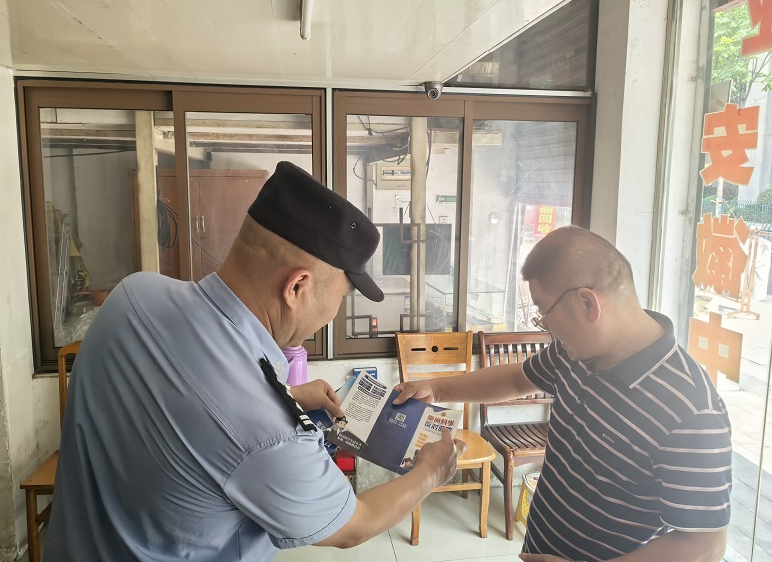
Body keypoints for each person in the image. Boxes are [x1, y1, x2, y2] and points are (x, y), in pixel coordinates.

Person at [45, 161, 466, 562]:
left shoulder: (134, 294)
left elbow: (183, 403)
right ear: (297, 287)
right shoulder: (270, 435)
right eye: (341, 297)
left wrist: (286, 394)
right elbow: (354, 527)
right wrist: (431, 472)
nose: (333, 316)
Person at [394, 226, 732, 562]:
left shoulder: (692, 411)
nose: (545, 327)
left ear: (587, 303)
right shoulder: (575, 353)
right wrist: (436, 388)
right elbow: (517, 379)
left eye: (544, 312)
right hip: (540, 544)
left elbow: (704, 545)